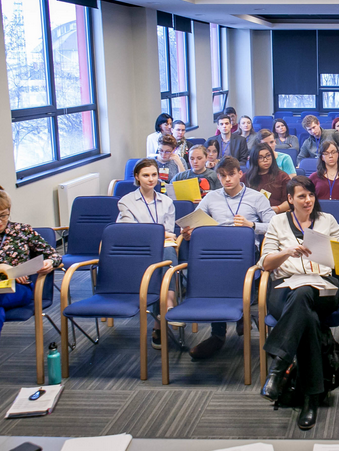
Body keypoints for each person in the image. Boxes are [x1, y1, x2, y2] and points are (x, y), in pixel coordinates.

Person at [258, 176, 339, 430]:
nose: (307, 200)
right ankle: (310, 399)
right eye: (301, 196)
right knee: (308, 318)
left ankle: (278, 368)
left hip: (323, 289)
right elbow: (266, 263)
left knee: (304, 294)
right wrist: (286, 252)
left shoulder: (328, 221)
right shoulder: (277, 222)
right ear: (290, 199)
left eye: (311, 195)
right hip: (284, 290)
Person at [0, 183, 60, 407]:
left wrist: (47, 263)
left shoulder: (22, 231)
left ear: (9, 212)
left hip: (17, 292)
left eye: (3, 216)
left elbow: (54, 255)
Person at [182, 156, 275, 359]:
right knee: (207, 264)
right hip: (215, 251)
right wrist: (190, 232)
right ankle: (218, 335)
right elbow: (195, 220)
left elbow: (275, 225)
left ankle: (246, 316)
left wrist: (252, 225)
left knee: (241, 272)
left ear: (240, 174)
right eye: (222, 176)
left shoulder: (256, 197)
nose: (227, 180)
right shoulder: (211, 197)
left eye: (231, 175)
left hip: (245, 251)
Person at [117, 159, 178, 349]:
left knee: (167, 250)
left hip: (161, 249)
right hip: (137, 251)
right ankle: (168, 305)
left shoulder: (167, 201)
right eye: (145, 175)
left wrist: (156, 233)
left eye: (154, 175)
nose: (151, 179)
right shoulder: (126, 201)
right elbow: (130, 233)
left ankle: (161, 317)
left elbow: (168, 232)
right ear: (137, 177)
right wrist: (157, 233)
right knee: (164, 252)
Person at [245, 142, 291, 214]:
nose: (265, 160)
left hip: (276, 215)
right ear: (254, 159)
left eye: (268, 156)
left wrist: (278, 209)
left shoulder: (283, 177)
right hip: (251, 215)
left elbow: (290, 201)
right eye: (260, 157)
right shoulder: (246, 177)